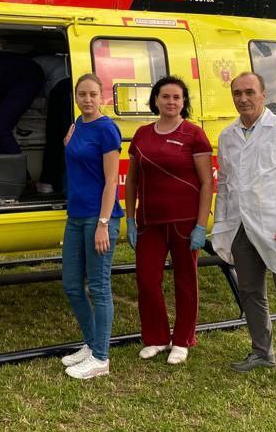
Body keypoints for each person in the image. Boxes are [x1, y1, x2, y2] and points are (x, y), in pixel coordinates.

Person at [212, 71, 276, 387]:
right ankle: (262, 351)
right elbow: (226, 186)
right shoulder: (227, 136)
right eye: (237, 93)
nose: (243, 98)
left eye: (249, 92)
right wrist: (222, 226)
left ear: (263, 93)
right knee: (250, 291)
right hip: (242, 227)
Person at [125, 76, 212, 365]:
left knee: (185, 280)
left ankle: (183, 339)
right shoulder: (142, 134)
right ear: (156, 100)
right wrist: (130, 218)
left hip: (185, 221)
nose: (171, 102)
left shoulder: (194, 134)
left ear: (184, 102)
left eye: (177, 97)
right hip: (149, 221)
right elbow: (133, 180)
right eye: (165, 97)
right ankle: (157, 337)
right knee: (147, 280)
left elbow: (206, 183)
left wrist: (201, 224)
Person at [59, 73, 123, 379]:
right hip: (75, 216)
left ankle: (101, 357)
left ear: (103, 97)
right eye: (82, 94)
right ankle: (91, 342)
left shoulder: (107, 129)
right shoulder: (77, 124)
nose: (87, 99)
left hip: (99, 218)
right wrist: (66, 145)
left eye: (93, 94)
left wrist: (103, 223)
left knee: (99, 287)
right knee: (72, 284)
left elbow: (111, 180)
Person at [31, 53, 71, 194]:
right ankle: (58, 183)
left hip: (61, 88)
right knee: (64, 139)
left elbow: (30, 94)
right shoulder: (51, 61)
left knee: (54, 137)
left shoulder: (30, 64)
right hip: (67, 87)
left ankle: (48, 182)